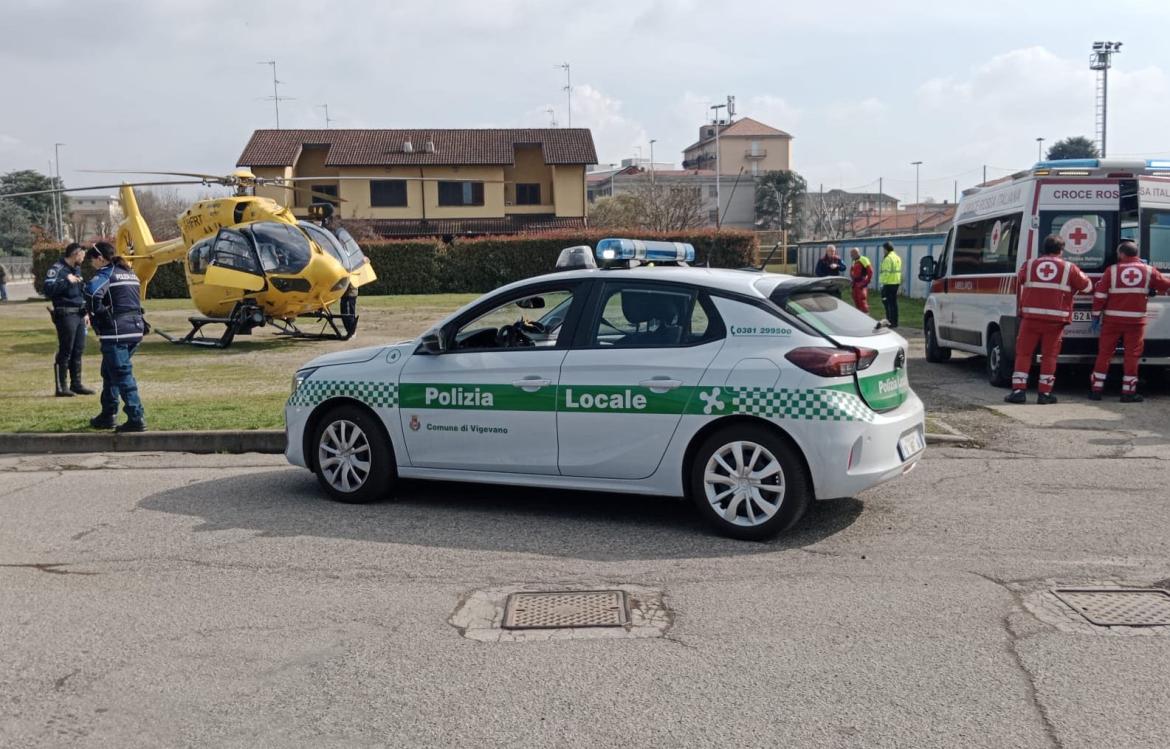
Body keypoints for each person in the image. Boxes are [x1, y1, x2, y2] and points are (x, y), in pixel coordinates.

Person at [1004, 234, 1092, 405]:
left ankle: (1018, 391)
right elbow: (1087, 286)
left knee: (1023, 353)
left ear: (1043, 248)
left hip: (1030, 318)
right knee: (1049, 356)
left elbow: (1020, 280)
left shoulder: (1029, 265)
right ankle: (1044, 394)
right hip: (1055, 320)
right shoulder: (1069, 267)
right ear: (1061, 250)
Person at [1088, 240, 1170, 402]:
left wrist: (1096, 315)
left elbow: (1100, 295)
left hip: (1112, 320)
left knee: (1104, 354)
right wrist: (1151, 289)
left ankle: (1096, 390)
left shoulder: (1111, 271)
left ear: (1122, 254)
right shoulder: (1148, 270)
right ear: (1136, 254)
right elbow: (1166, 285)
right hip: (1136, 321)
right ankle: (1128, 392)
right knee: (1132, 355)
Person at [84, 242, 147, 432]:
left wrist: (100, 315)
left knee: (122, 374)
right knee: (110, 372)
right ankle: (108, 414)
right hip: (135, 329)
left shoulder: (106, 274)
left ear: (100, 258)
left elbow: (92, 292)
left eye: (92, 261)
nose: (92, 265)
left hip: (117, 331)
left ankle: (136, 417)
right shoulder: (129, 273)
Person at [43, 242, 95, 397]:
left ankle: (76, 384)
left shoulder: (76, 269)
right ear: (75, 253)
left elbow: (80, 292)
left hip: (79, 314)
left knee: (78, 349)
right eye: (82, 255)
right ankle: (61, 386)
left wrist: (86, 312)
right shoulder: (57, 269)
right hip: (65, 314)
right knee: (66, 349)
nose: (84, 258)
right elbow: (48, 290)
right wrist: (66, 281)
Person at [879, 242, 902, 326]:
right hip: (896, 282)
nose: (883, 251)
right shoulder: (897, 257)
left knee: (887, 303)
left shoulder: (888, 258)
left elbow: (886, 272)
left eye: (883, 249)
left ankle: (890, 321)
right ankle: (895, 322)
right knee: (894, 303)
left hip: (888, 283)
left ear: (886, 249)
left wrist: (882, 284)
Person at [848, 247, 872, 312]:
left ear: (856, 253)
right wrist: (852, 280)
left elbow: (870, 271)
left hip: (861, 283)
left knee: (862, 300)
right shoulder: (854, 261)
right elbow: (852, 271)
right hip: (855, 284)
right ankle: (858, 315)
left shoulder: (864, 259)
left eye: (852, 254)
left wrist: (865, 282)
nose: (851, 256)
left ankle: (866, 315)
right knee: (855, 299)